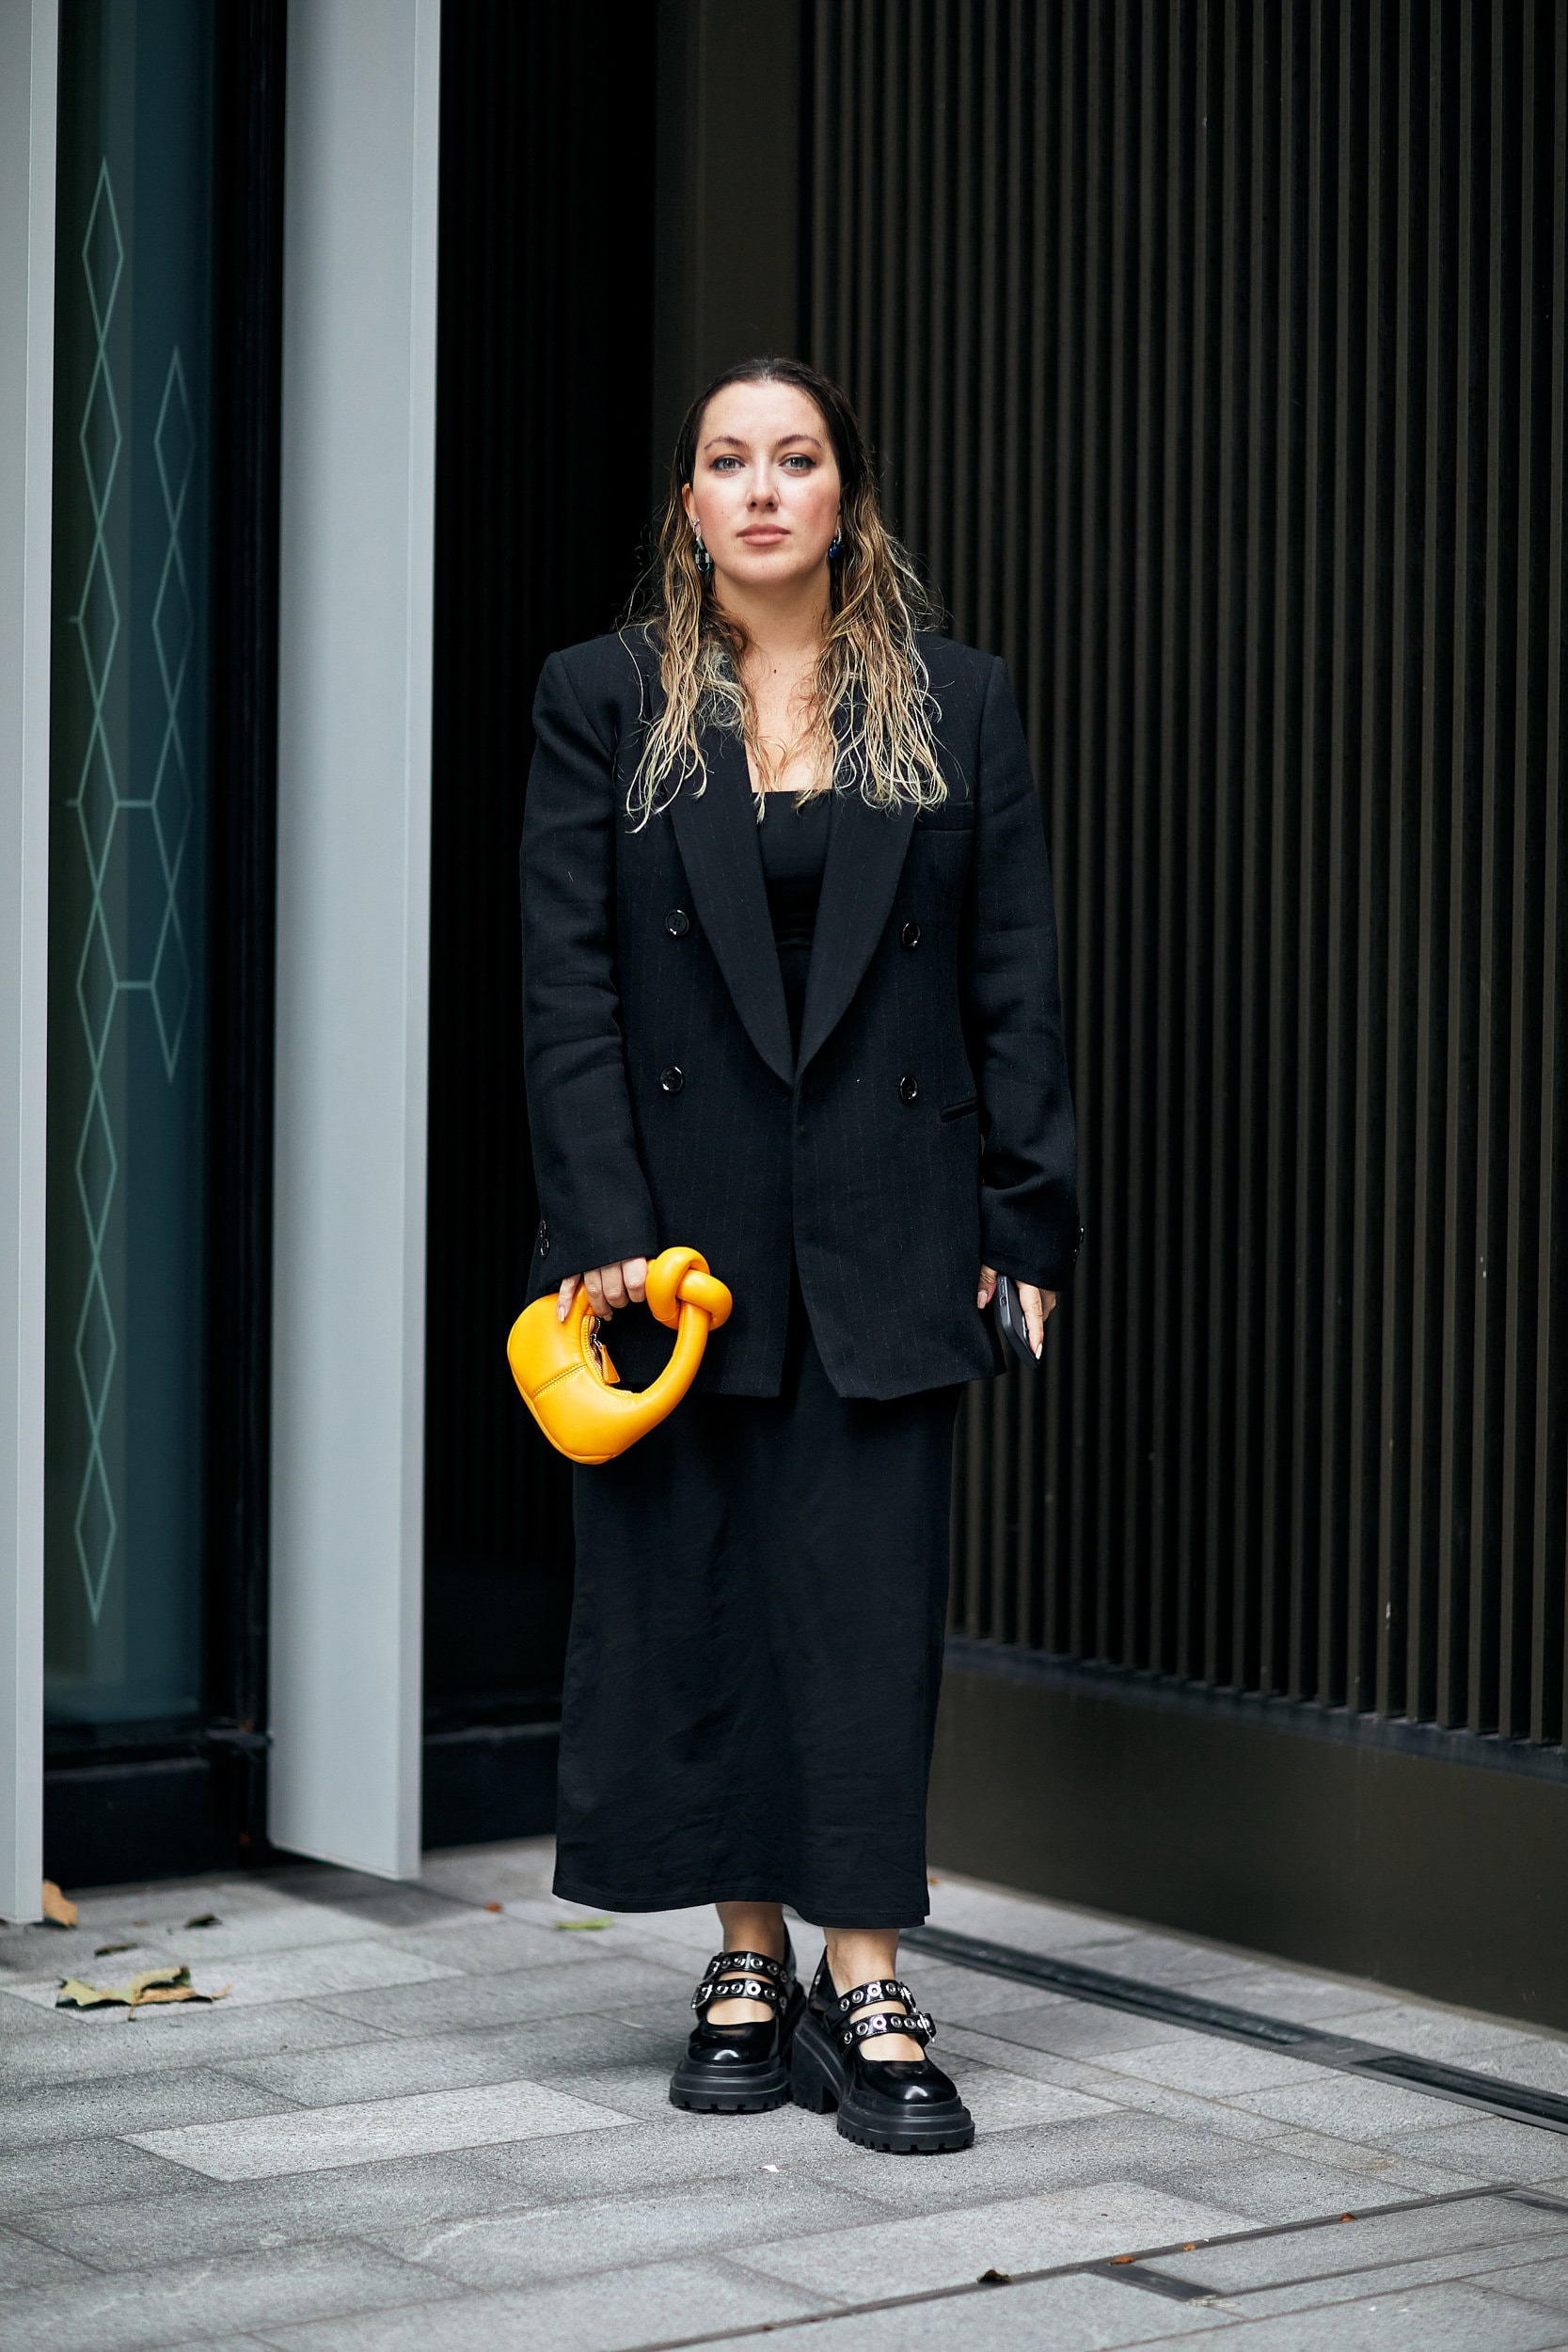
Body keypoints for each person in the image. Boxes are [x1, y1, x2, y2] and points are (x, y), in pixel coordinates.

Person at [518, 357, 1079, 2155]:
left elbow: (1013, 979)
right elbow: (567, 987)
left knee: (862, 1611)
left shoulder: (957, 701)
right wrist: (603, 1224)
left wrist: (1024, 1220)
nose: (762, 489)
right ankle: (747, 1965)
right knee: (695, 1599)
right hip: (675, 1247)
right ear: (688, 503)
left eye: (796, 458)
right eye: (728, 461)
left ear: (847, 494)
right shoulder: (602, 699)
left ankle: (871, 1977)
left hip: (891, 1223)